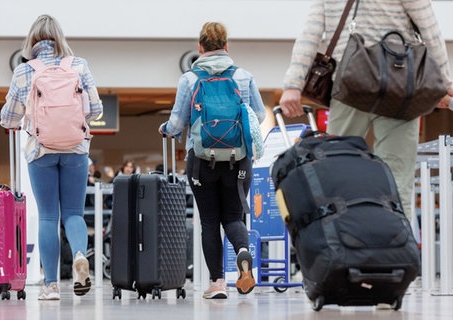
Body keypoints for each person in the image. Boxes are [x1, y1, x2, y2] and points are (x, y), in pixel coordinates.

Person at [279, 0, 453, 222]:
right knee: (397, 180)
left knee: (338, 173)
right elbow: (429, 29)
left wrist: (293, 84)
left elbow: (310, 34)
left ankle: (346, 244)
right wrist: (444, 83)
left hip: (351, 87)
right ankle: (397, 249)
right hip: (401, 88)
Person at [158, 22, 265, 299]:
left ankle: (217, 283)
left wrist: (166, 130)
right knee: (232, 216)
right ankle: (242, 252)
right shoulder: (244, 76)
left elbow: (178, 121)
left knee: (209, 221)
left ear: (200, 48)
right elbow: (259, 116)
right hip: (238, 159)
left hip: (201, 161)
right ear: (227, 46)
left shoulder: (189, 79)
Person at [0, 14, 103, 300]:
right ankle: (81, 255)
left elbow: (9, 117)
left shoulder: (24, 71)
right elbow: (95, 109)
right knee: (73, 213)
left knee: (48, 217)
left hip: (41, 150)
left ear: (31, 40)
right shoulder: (79, 65)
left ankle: (51, 286)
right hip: (76, 150)